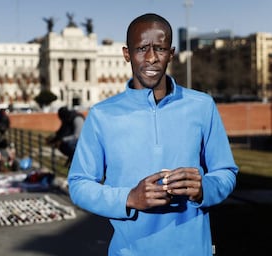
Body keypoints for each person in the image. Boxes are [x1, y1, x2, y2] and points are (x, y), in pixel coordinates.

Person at [67, 13, 238, 256]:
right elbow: (79, 185)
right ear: (127, 54)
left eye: (159, 48)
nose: (151, 58)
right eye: (141, 49)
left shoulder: (202, 106)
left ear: (171, 53)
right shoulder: (101, 115)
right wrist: (130, 197)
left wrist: (203, 188)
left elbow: (226, 172)